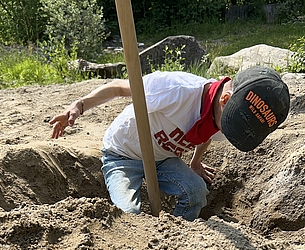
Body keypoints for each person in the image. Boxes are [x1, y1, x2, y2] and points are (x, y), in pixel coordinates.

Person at [50, 66, 290, 221]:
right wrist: (78, 106)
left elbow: (206, 133)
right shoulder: (175, 90)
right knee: (129, 216)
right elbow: (119, 88)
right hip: (123, 153)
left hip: (163, 159)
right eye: (227, 125)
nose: (227, 132)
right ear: (225, 99)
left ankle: (176, 237)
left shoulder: (233, 120)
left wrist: (195, 163)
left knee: (196, 191)